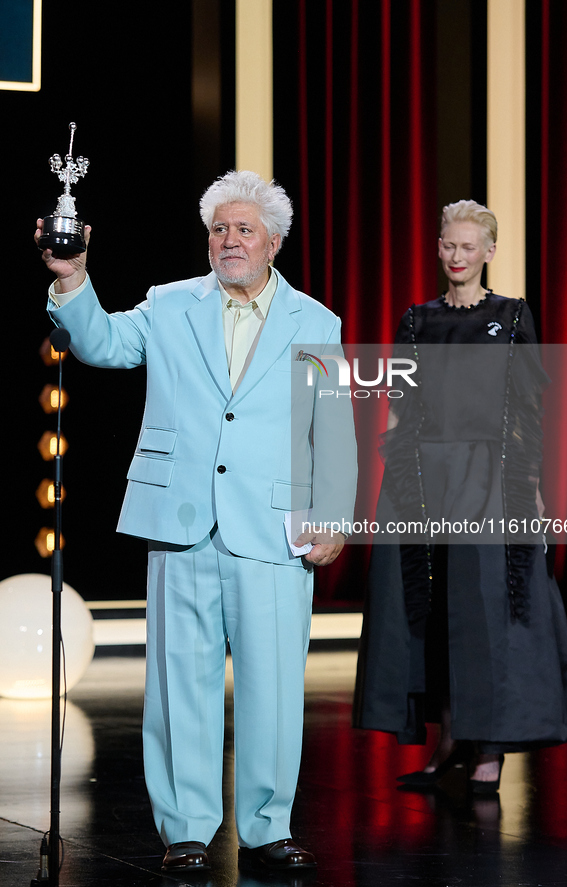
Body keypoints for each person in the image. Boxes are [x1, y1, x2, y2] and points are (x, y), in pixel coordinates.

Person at [35, 170, 356, 872]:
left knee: (273, 685)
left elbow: (331, 425)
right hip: (179, 518)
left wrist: (334, 513)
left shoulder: (316, 320)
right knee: (180, 682)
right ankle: (185, 827)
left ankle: (268, 826)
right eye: (218, 229)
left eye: (243, 229)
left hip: (274, 525)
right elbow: (104, 345)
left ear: (274, 241)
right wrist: (71, 279)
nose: (227, 240)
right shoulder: (169, 303)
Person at [353, 199, 567, 792]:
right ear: (438, 247)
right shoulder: (417, 319)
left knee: (485, 614)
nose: (456, 256)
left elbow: (527, 412)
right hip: (425, 480)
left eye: (468, 247)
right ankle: (450, 742)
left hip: (490, 477)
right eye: (448, 245)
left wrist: (530, 489)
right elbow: (403, 409)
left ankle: (489, 751)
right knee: (433, 613)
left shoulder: (512, 316)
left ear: (488, 251)